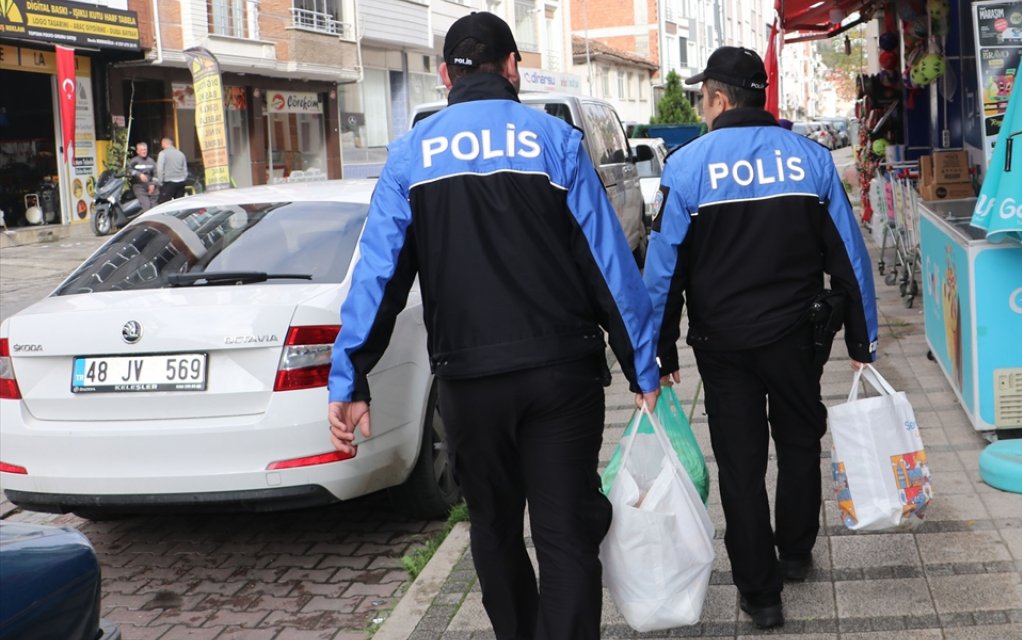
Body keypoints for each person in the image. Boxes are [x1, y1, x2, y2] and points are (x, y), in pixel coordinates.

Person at [327, 12, 660, 640]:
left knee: (494, 528)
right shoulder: (555, 142)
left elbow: (377, 281)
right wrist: (642, 363)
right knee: (564, 536)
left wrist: (350, 377)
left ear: (444, 75)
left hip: (470, 382)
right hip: (562, 378)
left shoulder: (409, 159)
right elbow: (609, 265)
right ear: (512, 67)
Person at [643, 46, 879, 630]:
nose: (702, 107)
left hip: (724, 348)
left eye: (703, 97)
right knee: (799, 444)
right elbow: (849, 256)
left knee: (740, 467)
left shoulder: (687, 166)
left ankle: (761, 594)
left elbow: (663, 271)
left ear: (720, 99)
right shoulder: (811, 161)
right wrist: (861, 342)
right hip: (798, 338)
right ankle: (796, 553)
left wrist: (659, 351)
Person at [154, 137, 187, 203]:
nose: (161, 146)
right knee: (179, 204)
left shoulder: (163, 153)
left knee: (164, 204)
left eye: (162, 144)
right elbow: (185, 170)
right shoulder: (181, 154)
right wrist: (183, 178)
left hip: (169, 182)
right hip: (181, 182)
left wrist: (160, 182)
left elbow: (160, 169)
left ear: (164, 143)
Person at [126, 142, 157, 213]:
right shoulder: (134, 161)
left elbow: (156, 173)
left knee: (155, 206)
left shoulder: (151, 161)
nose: (144, 151)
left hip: (150, 185)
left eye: (145, 149)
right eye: (142, 150)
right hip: (139, 186)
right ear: (137, 151)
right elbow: (129, 170)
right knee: (146, 206)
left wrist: (153, 184)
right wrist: (139, 174)